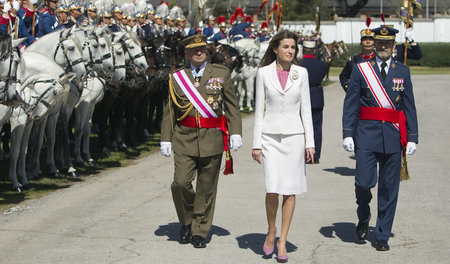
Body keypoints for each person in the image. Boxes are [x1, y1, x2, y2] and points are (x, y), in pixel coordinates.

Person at [160, 34, 242, 249]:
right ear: (186, 53)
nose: (199, 52)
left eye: (203, 49)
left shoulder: (221, 73)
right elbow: (169, 110)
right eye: (194, 50)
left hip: (212, 138)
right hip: (184, 138)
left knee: (206, 188)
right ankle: (186, 221)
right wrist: (165, 138)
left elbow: (232, 106)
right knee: (180, 184)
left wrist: (235, 132)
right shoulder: (177, 77)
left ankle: (199, 230)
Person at [342, 25, 418, 251]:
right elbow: (351, 104)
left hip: (393, 136)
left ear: (394, 45)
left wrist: (413, 136)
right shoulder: (360, 69)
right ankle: (363, 214)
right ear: (374, 44)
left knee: (389, 189)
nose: (383, 46)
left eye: (388, 43)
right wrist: (348, 133)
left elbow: (409, 105)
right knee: (364, 183)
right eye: (380, 43)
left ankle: (382, 234)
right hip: (365, 134)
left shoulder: (402, 71)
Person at [252, 30, 315, 262]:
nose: (290, 51)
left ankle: (283, 241)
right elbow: (259, 110)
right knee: (272, 188)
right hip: (269, 138)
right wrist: (256, 144)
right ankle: (271, 231)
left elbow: (306, 109)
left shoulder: (302, 73)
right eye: (286, 47)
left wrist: (310, 143)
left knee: (290, 189)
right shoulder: (263, 73)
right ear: (275, 49)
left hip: (295, 138)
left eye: (293, 48)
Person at [299, 39, 327, 164]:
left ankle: (303, 155)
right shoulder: (322, 64)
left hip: (301, 97)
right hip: (316, 96)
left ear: (302, 50)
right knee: (316, 128)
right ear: (314, 51)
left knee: (302, 127)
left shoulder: (298, 64)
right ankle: (315, 156)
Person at [339, 25, 375, 91]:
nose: (368, 42)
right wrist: (348, 87)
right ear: (361, 43)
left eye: (370, 39)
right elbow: (343, 76)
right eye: (365, 39)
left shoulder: (379, 59)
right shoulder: (354, 60)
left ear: (374, 43)